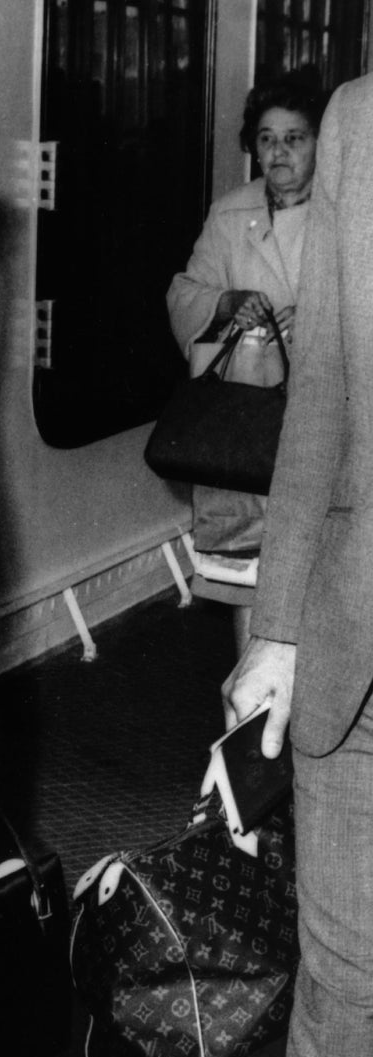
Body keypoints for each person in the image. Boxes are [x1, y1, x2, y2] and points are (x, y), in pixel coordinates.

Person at [223, 64, 373, 1057]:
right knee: (341, 1049)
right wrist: (275, 623)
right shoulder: (363, 121)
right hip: (359, 665)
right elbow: (324, 378)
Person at [167, 73, 324, 652]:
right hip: (243, 425)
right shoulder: (230, 213)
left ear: (319, 144)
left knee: (315, 567)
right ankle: (251, 713)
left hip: (316, 419)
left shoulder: (349, 215)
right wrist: (226, 303)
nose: (279, 153)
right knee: (247, 569)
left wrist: (310, 321)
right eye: (266, 139)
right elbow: (184, 293)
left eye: (295, 138)